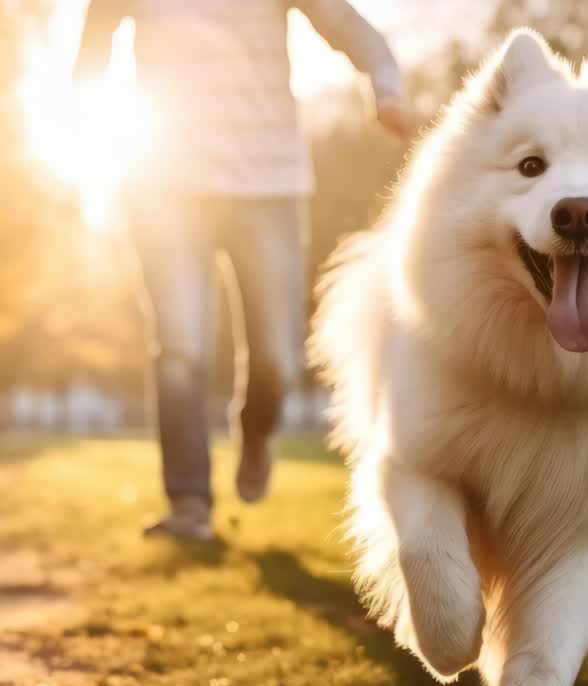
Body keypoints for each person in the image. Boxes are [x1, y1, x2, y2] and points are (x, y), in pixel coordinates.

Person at [73, 0, 408, 541]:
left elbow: (344, 23)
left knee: (278, 355)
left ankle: (255, 432)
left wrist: (386, 85)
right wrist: (87, 131)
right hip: (164, 185)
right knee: (181, 347)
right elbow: (92, 50)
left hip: (267, 185)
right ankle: (189, 502)